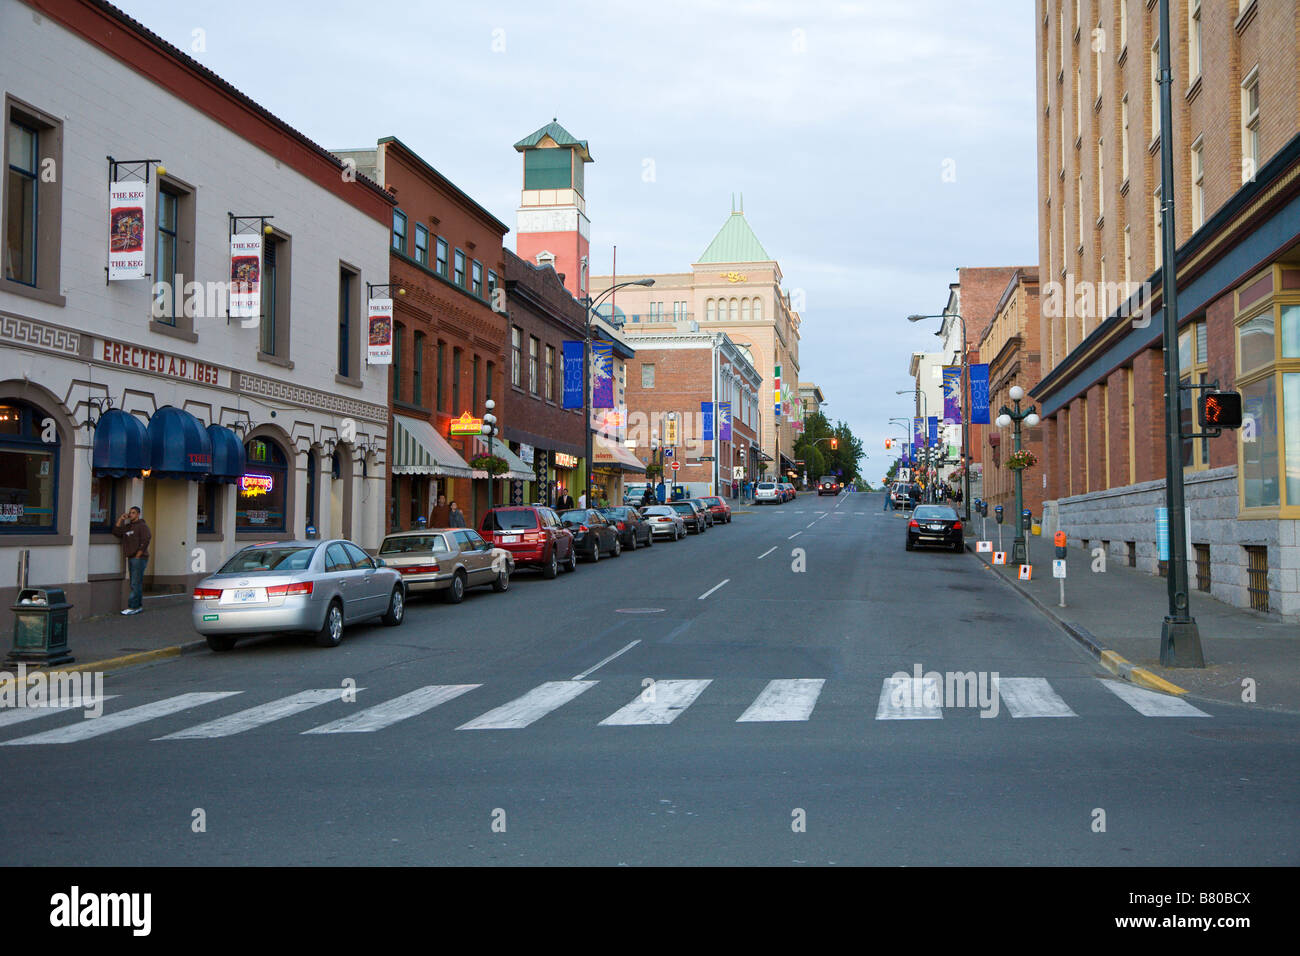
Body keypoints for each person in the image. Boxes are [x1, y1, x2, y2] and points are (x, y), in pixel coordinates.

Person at [112, 506, 151, 615]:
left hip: (139, 558)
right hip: (131, 557)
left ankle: (133, 607)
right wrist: (121, 519)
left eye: (133, 513)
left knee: (135, 582)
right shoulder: (128, 527)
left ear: (138, 514)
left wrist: (139, 554)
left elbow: (147, 539)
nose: (131, 515)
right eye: (130, 513)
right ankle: (137, 606)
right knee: (135, 582)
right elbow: (116, 532)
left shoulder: (142, 526)